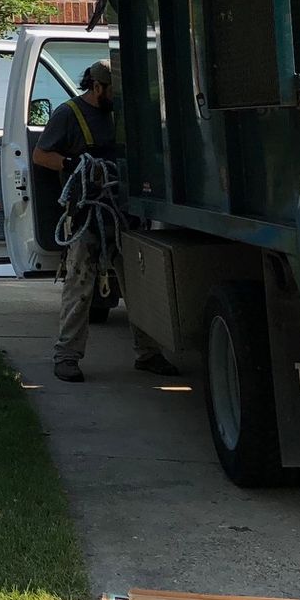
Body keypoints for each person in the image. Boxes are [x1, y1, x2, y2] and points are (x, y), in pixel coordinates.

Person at [34, 60, 178, 384]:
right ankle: (67, 357)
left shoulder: (121, 114)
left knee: (137, 285)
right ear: (97, 87)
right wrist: (72, 162)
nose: (116, 98)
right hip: (86, 215)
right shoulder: (67, 115)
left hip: (121, 214)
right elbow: (40, 155)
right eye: (112, 91)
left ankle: (149, 353)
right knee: (80, 284)